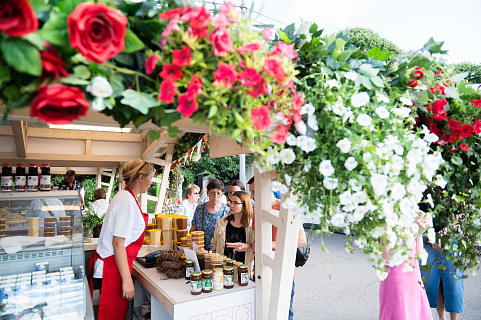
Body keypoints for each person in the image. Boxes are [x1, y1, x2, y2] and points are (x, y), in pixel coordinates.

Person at [89, 160, 153, 320]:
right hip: (112, 268)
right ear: (141, 178)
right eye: (150, 178)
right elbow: (118, 243)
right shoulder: (126, 201)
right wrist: (126, 280)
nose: (151, 182)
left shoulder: (125, 197)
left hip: (114, 264)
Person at [244, 176, 306, 320]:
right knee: (262, 313)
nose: (252, 197)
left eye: (254, 192)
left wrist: (269, 244)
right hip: (260, 270)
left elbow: (302, 241)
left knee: (284, 313)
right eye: (251, 192)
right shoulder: (257, 211)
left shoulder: (286, 208)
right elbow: (257, 243)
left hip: (283, 270)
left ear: (268, 189)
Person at [379, 213, 432, 320]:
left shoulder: (411, 218)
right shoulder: (388, 221)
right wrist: (410, 235)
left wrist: (420, 233)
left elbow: (418, 253)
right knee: (400, 313)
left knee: (416, 313)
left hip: (413, 275)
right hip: (397, 278)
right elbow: (386, 257)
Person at [420, 206, 464, 320]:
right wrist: (431, 233)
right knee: (435, 282)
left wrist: (444, 232)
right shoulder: (424, 189)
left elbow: (459, 212)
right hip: (429, 240)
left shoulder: (452, 189)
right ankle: (442, 318)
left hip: (451, 239)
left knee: (454, 283)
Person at [211, 191, 255, 270]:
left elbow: (256, 250)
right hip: (222, 269)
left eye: (235, 203)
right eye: (230, 202)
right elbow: (214, 245)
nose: (231, 205)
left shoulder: (252, 226)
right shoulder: (222, 222)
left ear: (244, 205)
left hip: (243, 271)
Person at [190, 179, 230, 251]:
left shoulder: (226, 211)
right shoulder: (199, 209)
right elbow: (193, 229)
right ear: (207, 193)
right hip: (200, 251)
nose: (215, 196)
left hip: (218, 251)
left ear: (222, 194)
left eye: (218, 193)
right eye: (212, 193)